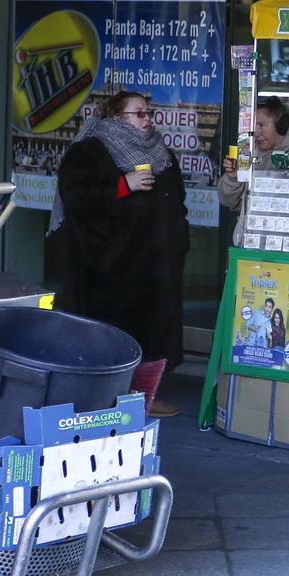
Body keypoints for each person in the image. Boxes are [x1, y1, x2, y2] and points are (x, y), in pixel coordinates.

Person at [50, 90, 189, 418]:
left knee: (155, 334)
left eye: (149, 112)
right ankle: (107, 398)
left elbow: (176, 198)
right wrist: (123, 185)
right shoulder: (90, 150)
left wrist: (179, 237)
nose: (147, 119)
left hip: (157, 263)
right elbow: (76, 196)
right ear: (116, 116)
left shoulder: (160, 151)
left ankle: (145, 398)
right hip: (110, 267)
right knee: (115, 335)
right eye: (139, 113)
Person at [218, 96, 289, 245]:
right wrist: (233, 178)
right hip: (252, 243)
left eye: (261, 125)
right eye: (252, 126)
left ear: (280, 124)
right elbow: (228, 201)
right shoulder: (250, 154)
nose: (256, 132)